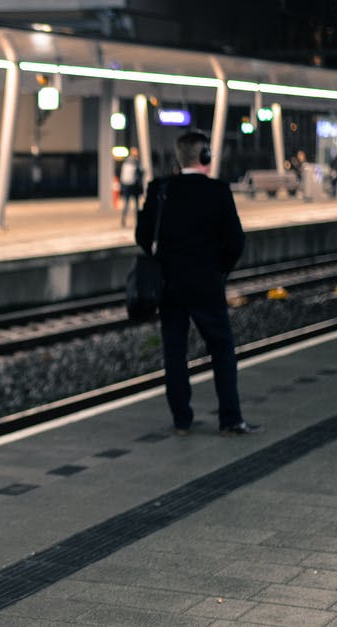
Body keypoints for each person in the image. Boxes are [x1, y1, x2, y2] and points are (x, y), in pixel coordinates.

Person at [135, 131, 257, 437]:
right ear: (204, 157)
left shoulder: (159, 189)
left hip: (170, 285)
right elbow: (236, 241)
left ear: (179, 156)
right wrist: (220, 270)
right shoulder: (217, 191)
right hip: (206, 283)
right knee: (222, 348)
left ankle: (182, 421)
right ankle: (230, 419)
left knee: (174, 352)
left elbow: (142, 236)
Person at [119, 147, 143, 227]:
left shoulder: (126, 162)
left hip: (128, 185)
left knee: (129, 204)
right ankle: (135, 221)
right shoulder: (136, 162)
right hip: (132, 186)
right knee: (133, 204)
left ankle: (124, 220)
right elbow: (140, 173)